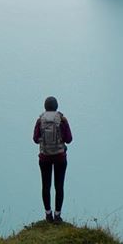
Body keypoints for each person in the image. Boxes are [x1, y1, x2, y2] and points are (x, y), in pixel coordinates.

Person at [33, 95, 72, 223]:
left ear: (45, 107)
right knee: (59, 186)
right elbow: (69, 139)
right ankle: (57, 215)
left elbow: (35, 139)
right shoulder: (62, 119)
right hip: (60, 157)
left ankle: (48, 215)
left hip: (44, 157)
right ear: (56, 107)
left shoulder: (40, 120)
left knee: (46, 185)